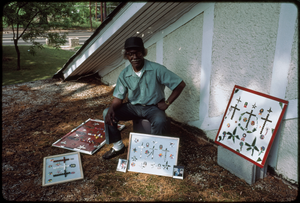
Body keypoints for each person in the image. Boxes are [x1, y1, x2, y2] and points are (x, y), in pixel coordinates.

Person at [102, 36, 186, 159]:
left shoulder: (157, 69)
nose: (135, 57)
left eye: (138, 53)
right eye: (130, 54)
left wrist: (167, 103)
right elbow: (118, 98)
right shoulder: (124, 74)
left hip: (153, 108)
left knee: (160, 121)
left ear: (143, 53)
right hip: (133, 107)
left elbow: (180, 84)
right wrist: (111, 109)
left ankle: (157, 153)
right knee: (107, 113)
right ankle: (118, 146)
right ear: (127, 56)